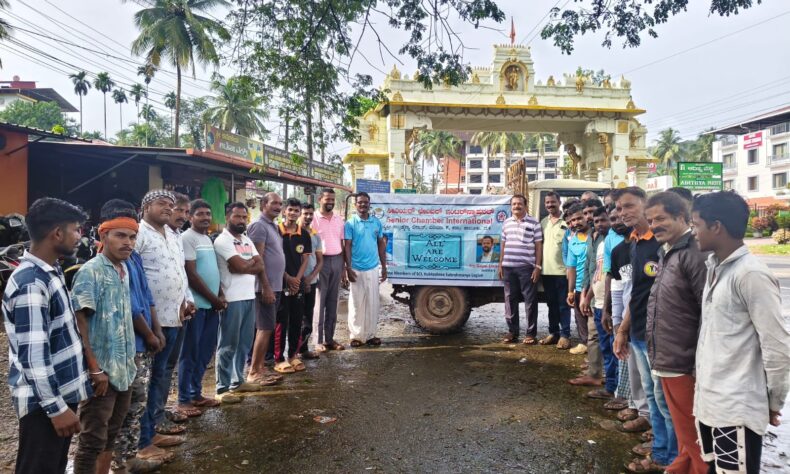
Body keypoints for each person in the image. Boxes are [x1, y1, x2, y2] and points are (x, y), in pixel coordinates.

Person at [692, 191, 790, 474]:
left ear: (716, 226)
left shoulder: (750, 274)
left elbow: (777, 347)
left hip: (735, 409)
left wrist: (772, 402)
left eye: (696, 224)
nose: (693, 232)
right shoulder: (715, 268)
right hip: (710, 403)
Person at [3, 198, 91, 474]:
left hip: (58, 395)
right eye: (76, 230)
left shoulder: (50, 272)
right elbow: (33, 357)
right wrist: (56, 409)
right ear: (57, 233)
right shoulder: (32, 283)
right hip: (44, 404)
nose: (79, 237)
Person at [98, 200, 170, 472]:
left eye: (132, 231)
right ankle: (117, 463)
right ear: (105, 231)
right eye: (121, 231)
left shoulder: (133, 257)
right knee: (119, 411)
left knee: (136, 404)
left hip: (143, 341)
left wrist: (157, 329)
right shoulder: (104, 265)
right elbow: (129, 305)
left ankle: (129, 457)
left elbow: (146, 296)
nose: (128, 238)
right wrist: (149, 333)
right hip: (126, 345)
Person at [612, 187, 677, 473]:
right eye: (619, 208)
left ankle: (670, 457)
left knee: (665, 400)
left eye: (629, 206)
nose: (623, 212)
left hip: (659, 334)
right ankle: (661, 451)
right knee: (652, 395)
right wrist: (623, 330)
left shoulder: (660, 243)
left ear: (645, 204)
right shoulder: (635, 243)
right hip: (638, 330)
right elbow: (635, 293)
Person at [644, 191, 708, 474]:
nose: (654, 225)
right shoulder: (668, 251)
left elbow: (707, 311)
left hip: (684, 361)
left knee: (695, 438)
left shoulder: (694, 253)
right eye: (650, 220)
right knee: (685, 434)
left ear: (681, 217)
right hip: (667, 358)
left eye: (661, 219)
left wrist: (698, 364)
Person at [71, 208, 139, 474]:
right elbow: (80, 322)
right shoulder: (91, 271)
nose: (128, 243)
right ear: (103, 237)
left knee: (111, 433)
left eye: (132, 237)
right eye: (120, 236)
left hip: (124, 368)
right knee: (92, 439)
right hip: (102, 372)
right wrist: (94, 369)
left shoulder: (123, 269)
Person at [136, 190, 194, 454]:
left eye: (171, 205)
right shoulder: (138, 234)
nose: (169, 209)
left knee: (163, 374)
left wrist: (187, 299)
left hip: (176, 315)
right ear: (146, 206)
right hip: (151, 320)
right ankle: (142, 438)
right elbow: (135, 278)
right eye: (162, 204)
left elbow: (180, 271)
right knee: (149, 378)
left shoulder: (173, 235)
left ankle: (155, 426)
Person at [214, 203, 268, 402]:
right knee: (228, 344)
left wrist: (246, 265)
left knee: (244, 342)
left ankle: (237, 381)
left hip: (248, 296)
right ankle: (222, 389)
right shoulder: (222, 240)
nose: (241, 220)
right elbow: (239, 266)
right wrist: (247, 265)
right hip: (232, 298)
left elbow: (259, 264)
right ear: (227, 217)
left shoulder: (246, 239)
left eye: (244, 217)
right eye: (237, 216)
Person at [179, 199, 225, 414]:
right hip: (197, 306)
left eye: (208, 214)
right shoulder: (187, 238)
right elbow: (192, 274)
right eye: (200, 214)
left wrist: (220, 295)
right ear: (190, 217)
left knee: (205, 352)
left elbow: (213, 270)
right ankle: (183, 399)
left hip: (211, 306)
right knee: (190, 353)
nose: (206, 217)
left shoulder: (207, 238)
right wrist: (213, 298)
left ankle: (196, 393)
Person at [246, 192, 286, 384]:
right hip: (265, 287)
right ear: (263, 204)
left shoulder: (273, 226)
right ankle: (254, 372)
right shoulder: (258, 226)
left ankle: (260, 368)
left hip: (275, 286)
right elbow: (258, 259)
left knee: (268, 328)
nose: (278, 207)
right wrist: (265, 286)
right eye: (274, 203)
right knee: (264, 328)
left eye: (280, 204)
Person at [578, 206, 618, 397]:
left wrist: (609, 306)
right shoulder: (603, 243)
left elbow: (612, 277)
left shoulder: (617, 241)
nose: (600, 224)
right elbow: (598, 273)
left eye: (604, 220)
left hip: (612, 305)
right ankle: (610, 387)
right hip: (600, 303)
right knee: (606, 348)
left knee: (616, 349)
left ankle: (617, 390)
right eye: (596, 221)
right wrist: (588, 297)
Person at [273, 198, 313, 373]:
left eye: (296, 210)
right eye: (290, 210)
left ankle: (293, 355)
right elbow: (272, 259)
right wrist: (287, 277)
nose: (293, 213)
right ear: (284, 211)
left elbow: (305, 260)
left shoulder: (304, 234)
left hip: (297, 283)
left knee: (297, 319)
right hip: (280, 282)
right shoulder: (276, 231)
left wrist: (297, 279)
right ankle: (278, 358)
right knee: (281, 320)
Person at [498, 194, 543, 345]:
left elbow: (538, 246)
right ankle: (512, 331)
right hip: (508, 267)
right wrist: (500, 264)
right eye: (514, 204)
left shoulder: (534, 223)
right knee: (510, 300)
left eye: (519, 204)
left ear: (525, 205)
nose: (516, 206)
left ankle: (531, 334)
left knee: (530, 301)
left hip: (526, 268)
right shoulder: (506, 223)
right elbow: (503, 245)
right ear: (511, 206)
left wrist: (537, 267)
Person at [344, 192, 387, 347]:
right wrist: (348, 268)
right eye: (360, 202)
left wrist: (384, 267)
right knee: (356, 303)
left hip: (373, 268)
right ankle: (356, 336)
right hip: (356, 268)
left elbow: (380, 244)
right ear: (355, 204)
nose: (363, 205)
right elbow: (347, 246)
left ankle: (370, 335)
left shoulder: (376, 222)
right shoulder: (350, 223)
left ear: (369, 204)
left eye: (365, 202)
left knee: (372, 302)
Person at [311, 188, 346, 352]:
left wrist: (344, 267)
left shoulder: (339, 219)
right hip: (320, 262)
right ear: (320, 199)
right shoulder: (313, 218)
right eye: (327, 199)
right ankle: (317, 340)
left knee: (333, 302)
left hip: (337, 260)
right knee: (319, 301)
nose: (330, 202)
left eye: (332, 199)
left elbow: (342, 244)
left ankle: (329, 339)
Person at [540, 192, 572, 349]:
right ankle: (553, 333)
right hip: (546, 272)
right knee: (551, 305)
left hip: (562, 272)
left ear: (559, 202)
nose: (550, 205)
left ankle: (565, 335)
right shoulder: (543, 222)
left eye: (553, 202)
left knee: (563, 305)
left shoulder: (567, 221)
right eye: (547, 202)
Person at [298, 203, 323, 359]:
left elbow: (320, 261)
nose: (308, 217)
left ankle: (303, 349)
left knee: (307, 317)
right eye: (305, 213)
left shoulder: (315, 235)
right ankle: (290, 353)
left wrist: (310, 278)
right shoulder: (291, 233)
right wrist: (299, 280)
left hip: (311, 282)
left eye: (310, 214)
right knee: (294, 318)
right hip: (294, 282)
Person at [564, 203, 590, 356]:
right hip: (579, 286)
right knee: (580, 318)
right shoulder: (573, 240)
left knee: (594, 322)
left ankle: (596, 354)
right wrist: (570, 291)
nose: (576, 223)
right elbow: (571, 268)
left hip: (593, 286)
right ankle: (584, 345)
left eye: (579, 218)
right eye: (573, 220)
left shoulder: (596, 236)